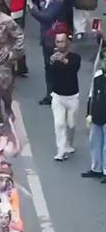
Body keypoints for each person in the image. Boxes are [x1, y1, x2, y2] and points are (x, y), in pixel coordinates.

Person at [30, 0, 66, 105]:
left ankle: (54, 95)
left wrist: (33, 9)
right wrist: (40, 0)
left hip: (53, 39)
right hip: (47, 38)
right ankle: (51, 94)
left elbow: (46, 17)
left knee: (53, 68)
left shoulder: (58, 2)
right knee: (49, 67)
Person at [49, 31, 81, 161]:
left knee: (71, 124)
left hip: (72, 96)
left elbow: (73, 69)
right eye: (58, 42)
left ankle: (69, 143)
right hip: (58, 96)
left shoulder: (75, 57)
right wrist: (52, 62)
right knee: (59, 123)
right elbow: (51, 75)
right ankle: (61, 151)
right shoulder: (53, 58)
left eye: (62, 41)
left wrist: (62, 59)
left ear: (68, 42)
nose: (60, 44)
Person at [82, 43, 106, 182]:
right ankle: (96, 168)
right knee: (94, 143)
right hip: (96, 114)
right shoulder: (98, 76)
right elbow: (91, 95)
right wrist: (88, 113)